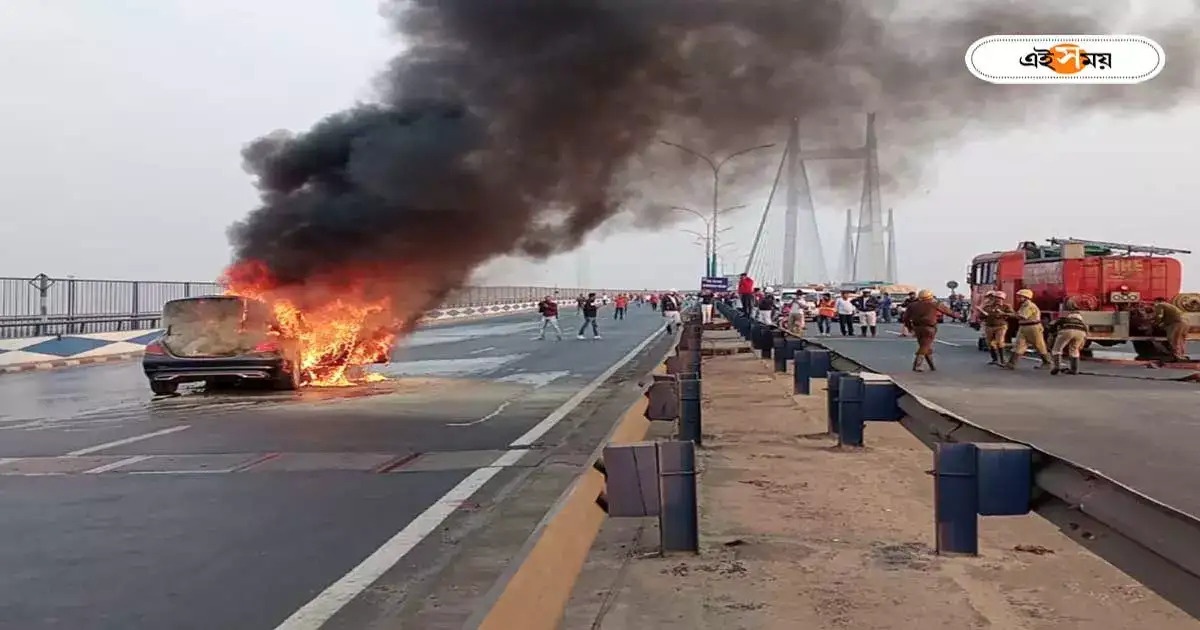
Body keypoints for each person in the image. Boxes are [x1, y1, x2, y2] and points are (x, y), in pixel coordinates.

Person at [901, 289, 962, 372]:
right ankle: (917, 365)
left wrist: (910, 328)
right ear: (930, 297)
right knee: (925, 346)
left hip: (917, 328)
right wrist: (959, 317)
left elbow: (905, 318)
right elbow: (948, 312)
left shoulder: (912, 305)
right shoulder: (935, 304)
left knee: (925, 345)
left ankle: (932, 366)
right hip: (930, 328)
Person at [1002, 289, 1051, 370]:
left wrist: (1005, 314)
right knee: (1019, 345)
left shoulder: (1030, 306)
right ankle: (1011, 363)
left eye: (1020, 297)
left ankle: (1047, 362)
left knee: (1039, 345)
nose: (1017, 298)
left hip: (1033, 327)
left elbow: (1022, 316)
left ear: (1026, 297)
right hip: (1023, 327)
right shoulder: (1024, 305)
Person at [977, 290, 1014, 366]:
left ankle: (1003, 359)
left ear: (1003, 299)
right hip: (989, 326)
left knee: (1000, 342)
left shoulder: (1006, 306)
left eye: (1000, 298)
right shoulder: (987, 306)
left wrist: (1003, 313)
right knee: (989, 343)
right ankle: (995, 359)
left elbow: (1012, 315)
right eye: (996, 298)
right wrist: (983, 314)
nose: (998, 300)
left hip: (1001, 326)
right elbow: (981, 316)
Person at [1048, 307, 1088, 375]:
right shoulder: (1083, 324)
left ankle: (1057, 367)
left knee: (1057, 349)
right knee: (1074, 350)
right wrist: (1081, 344)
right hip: (1081, 332)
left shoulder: (1064, 319)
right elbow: (1085, 335)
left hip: (1067, 330)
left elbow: (1052, 329)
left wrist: (1051, 337)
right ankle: (1074, 370)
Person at [1153, 297, 1189, 361]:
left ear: (1157, 301)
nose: (1154, 304)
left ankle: (1177, 356)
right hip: (1185, 323)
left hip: (1176, 324)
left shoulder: (1160, 305)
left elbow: (1159, 316)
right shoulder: (1171, 306)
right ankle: (1181, 355)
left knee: (1174, 339)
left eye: (1154, 303)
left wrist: (1156, 323)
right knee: (1180, 340)